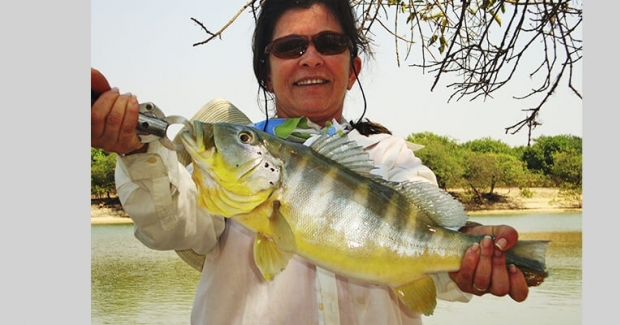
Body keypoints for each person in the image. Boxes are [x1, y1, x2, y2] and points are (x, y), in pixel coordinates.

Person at [91, 0, 529, 324]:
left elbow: (438, 254)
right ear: (266, 71)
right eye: (290, 46)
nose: (310, 57)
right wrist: (136, 150)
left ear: (353, 67)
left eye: (329, 43)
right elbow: (173, 226)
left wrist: (476, 255)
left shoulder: (389, 157)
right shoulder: (221, 172)